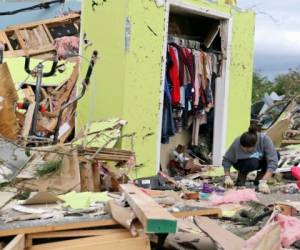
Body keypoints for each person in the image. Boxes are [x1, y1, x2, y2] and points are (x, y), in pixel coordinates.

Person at [222, 126, 279, 193]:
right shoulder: (237, 142)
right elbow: (227, 159)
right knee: (252, 162)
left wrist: (264, 181)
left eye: (247, 148)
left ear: (255, 145)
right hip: (241, 163)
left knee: (276, 155)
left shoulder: (264, 140)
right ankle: (241, 178)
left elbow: (273, 161)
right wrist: (227, 176)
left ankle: (260, 179)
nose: (244, 150)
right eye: (243, 147)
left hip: (258, 161)